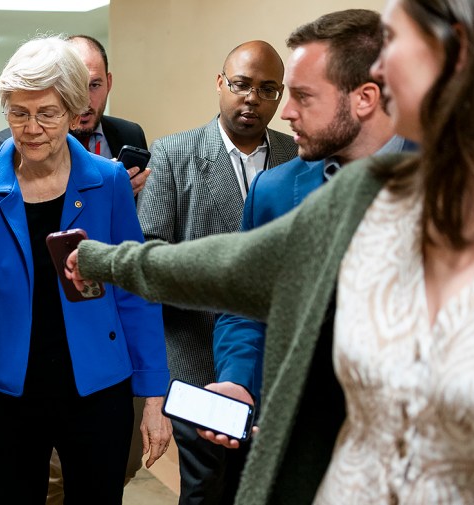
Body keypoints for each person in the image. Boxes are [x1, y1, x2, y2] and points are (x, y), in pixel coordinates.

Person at [67, 0, 474, 502]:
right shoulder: (365, 190)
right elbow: (228, 269)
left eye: (394, 43)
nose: (378, 67)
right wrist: (100, 259)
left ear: (458, 53)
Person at [0, 36, 172, 504]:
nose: (31, 128)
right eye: (18, 113)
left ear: (73, 111)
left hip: (99, 389)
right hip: (4, 389)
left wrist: (154, 397)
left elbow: (135, 292)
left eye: (47, 113)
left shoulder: (107, 183)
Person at [210, 9, 415, 442]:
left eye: (303, 97)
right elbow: (246, 308)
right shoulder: (273, 190)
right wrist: (237, 380)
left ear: (364, 98)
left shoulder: (461, 181)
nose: (283, 113)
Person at [135, 40, 296, 504]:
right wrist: (220, 281)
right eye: (241, 85)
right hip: (196, 358)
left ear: (279, 96)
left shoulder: (295, 156)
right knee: (206, 489)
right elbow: (151, 257)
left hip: (271, 360)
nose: (252, 99)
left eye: (267, 90)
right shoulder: (175, 153)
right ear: (220, 83)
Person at [0, 35, 151, 197]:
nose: (84, 100)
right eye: (20, 113)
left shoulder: (130, 134)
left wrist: (118, 197)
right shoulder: (7, 147)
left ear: (108, 83)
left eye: (94, 85)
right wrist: (107, 194)